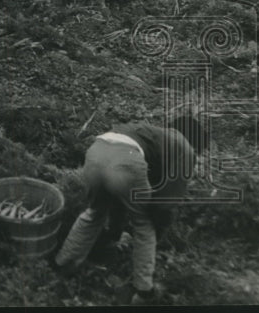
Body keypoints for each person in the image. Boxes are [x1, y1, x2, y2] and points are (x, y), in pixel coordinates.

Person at [54, 114, 205, 305]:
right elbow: (166, 202)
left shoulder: (151, 134)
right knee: (144, 224)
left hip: (96, 151)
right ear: (195, 142)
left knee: (94, 212)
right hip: (125, 159)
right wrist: (158, 230)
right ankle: (144, 292)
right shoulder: (185, 147)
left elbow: (121, 195)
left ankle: (63, 265)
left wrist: (115, 232)